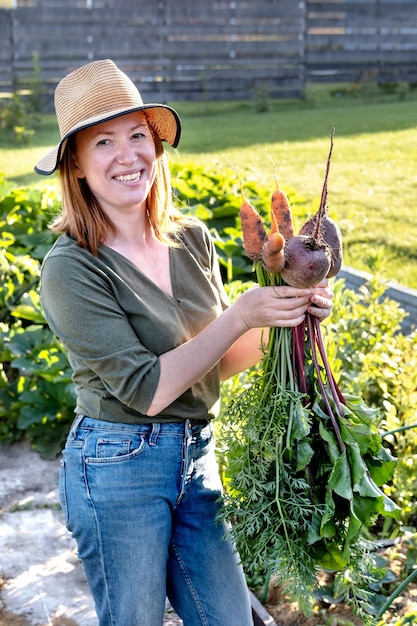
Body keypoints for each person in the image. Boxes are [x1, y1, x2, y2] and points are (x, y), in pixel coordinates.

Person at [36, 59, 333, 626]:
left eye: (138, 136)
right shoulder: (71, 269)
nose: (129, 156)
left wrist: (291, 317)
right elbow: (146, 390)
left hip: (197, 458)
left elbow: (220, 362)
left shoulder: (190, 238)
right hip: (116, 465)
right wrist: (241, 313)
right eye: (104, 142)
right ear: (75, 164)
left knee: (228, 618)